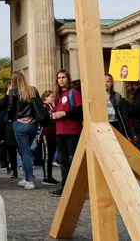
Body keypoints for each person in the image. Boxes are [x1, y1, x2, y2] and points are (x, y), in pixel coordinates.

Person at [50, 69, 83, 197]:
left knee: (74, 159)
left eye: (63, 77)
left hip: (72, 131)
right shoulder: (57, 95)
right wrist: (54, 115)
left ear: (67, 79)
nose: (61, 80)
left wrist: (65, 113)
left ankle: (77, 187)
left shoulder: (73, 93)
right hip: (60, 131)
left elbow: (80, 111)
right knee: (63, 161)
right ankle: (64, 186)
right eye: (59, 78)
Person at [7, 72, 40, 191]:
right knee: (27, 151)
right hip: (33, 124)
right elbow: (39, 105)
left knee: (24, 151)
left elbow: (10, 108)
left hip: (20, 123)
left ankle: (30, 180)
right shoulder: (33, 90)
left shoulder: (13, 91)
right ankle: (27, 177)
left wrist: (11, 119)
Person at [39, 90, 58, 186]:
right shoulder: (43, 106)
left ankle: (49, 176)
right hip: (46, 132)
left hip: (54, 131)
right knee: (47, 155)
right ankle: (46, 177)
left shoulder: (51, 106)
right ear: (45, 97)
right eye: (51, 96)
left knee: (51, 154)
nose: (53, 98)